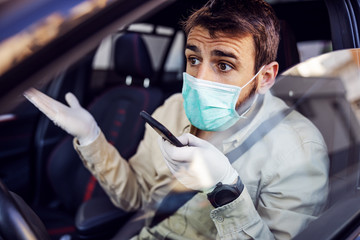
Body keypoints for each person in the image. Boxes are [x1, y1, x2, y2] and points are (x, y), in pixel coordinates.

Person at [24, 0, 329, 239]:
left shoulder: (298, 149)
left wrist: (227, 191)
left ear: (264, 77)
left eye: (223, 65)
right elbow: (136, 197)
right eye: (194, 59)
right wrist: (91, 136)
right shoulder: (172, 108)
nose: (199, 78)